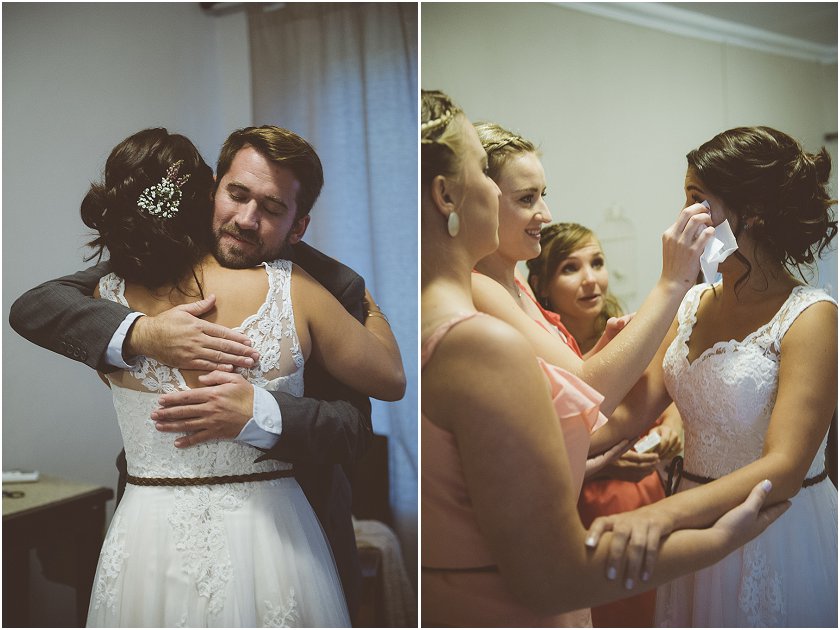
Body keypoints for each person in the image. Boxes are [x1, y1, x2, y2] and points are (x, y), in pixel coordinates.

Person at [420, 88, 789, 628]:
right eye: (485, 173)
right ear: (446, 194)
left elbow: (553, 424)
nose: (543, 212)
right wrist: (714, 538)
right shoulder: (478, 331)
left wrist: (608, 445)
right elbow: (585, 402)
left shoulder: (473, 306)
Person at [8, 125, 397, 620]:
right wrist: (144, 333)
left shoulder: (326, 284)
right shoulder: (135, 271)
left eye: (272, 208)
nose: (246, 219)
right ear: (213, 187)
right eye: (237, 194)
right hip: (150, 536)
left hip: (289, 539)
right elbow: (35, 306)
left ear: (298, 226)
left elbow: (354, 427)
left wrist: (261, 413)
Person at [585, 126, 837, 627]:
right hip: (695, 531)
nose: (683, 217)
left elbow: (786, 466)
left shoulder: (812, 315)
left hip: (773, 532)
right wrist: (539, 447)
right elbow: (628, 414)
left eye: (696, 199)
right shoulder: (692, 303)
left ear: (753, 211)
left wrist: (660, 514)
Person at [526, 221, 684, 627]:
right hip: (584, 503)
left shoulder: (626, 331)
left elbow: (671, 384)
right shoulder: (541, 352)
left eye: (597, 263)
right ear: (540, 285)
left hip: (648, 494)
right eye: (570, 268)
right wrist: (606, 465)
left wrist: (671, 425)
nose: (590, 279)